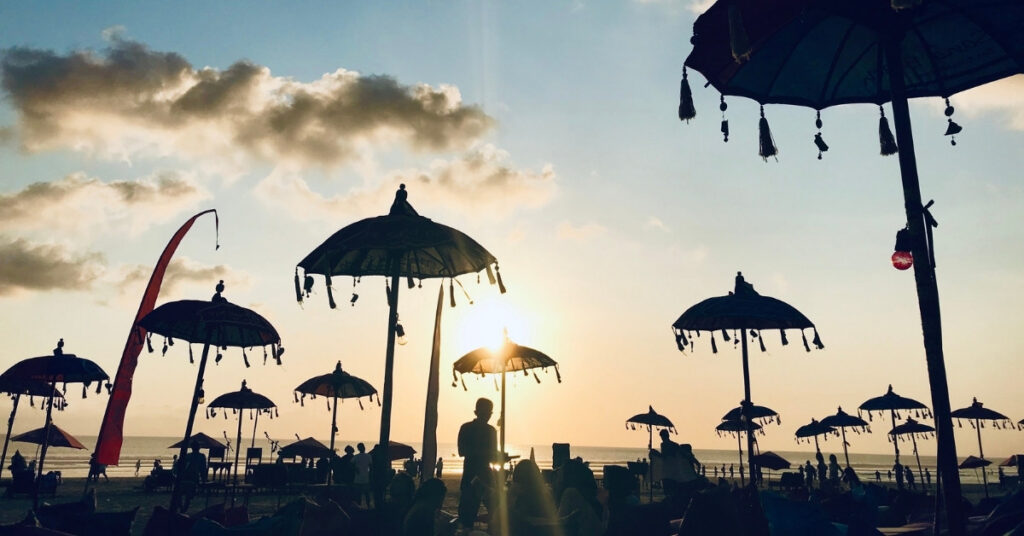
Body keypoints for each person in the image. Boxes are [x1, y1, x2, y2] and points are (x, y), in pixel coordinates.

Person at [457, 397, 497, 531]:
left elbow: (493, 456)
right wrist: (487, 453)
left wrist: (498, 457)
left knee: (496, 511)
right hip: (471, 476)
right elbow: (462, 451)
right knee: (467, 515)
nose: (488, 415)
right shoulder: (467, 428)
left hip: (485, 476)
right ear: (477, 412)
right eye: (486, 412)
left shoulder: (491, 431)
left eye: (489, 413)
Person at [353, 442, 373, 507]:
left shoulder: (356, 457)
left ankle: (359, 507)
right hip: (366, 477)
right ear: (364, 448)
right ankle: (368, 506)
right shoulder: (368, 456)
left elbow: (350, 465)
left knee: (358, 495)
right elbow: (371, 466)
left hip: (357, 478)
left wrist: (356, 469)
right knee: (367, 494)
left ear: (358, 449)